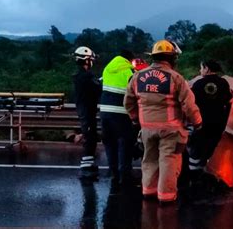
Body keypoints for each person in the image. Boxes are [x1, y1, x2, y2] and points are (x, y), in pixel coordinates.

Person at [124, 40, 202, 204]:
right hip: (170, 130)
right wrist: (197, 123)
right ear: (172, 58)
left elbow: (128, 102)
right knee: (168, 162)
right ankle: (166, 198)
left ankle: (148, 192)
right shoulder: (176, 78)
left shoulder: (137, 77)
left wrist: (135, 119)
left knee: (149, 160)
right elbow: (189, 105)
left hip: (146, 129)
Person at [187, 60, 232, 182]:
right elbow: (228, 101)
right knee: (210, 149)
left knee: (196, 149)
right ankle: (208, 174)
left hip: (201, 123)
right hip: (218, 124)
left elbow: (190, 103)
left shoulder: (198, 84)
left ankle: (194, 176)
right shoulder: (223, 83)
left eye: (201, 68)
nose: (200, 71)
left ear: (207, 69)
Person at [100, 49, 137, 186]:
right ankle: (125, 175)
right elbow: (135, 94)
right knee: (125, 143)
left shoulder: (107, 69)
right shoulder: (129, 72)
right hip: (121, 113)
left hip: (104, 112)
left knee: (110, 143)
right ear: (129, 59)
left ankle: (113, 173)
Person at [72, 46, 102, 179]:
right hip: (87, 110)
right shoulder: (86, 77)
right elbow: (97, 90)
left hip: (84, 109)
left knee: (91, 135)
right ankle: (86, 169)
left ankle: (89, 164)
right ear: (87, 60)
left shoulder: (79, 76)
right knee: (89, 137)